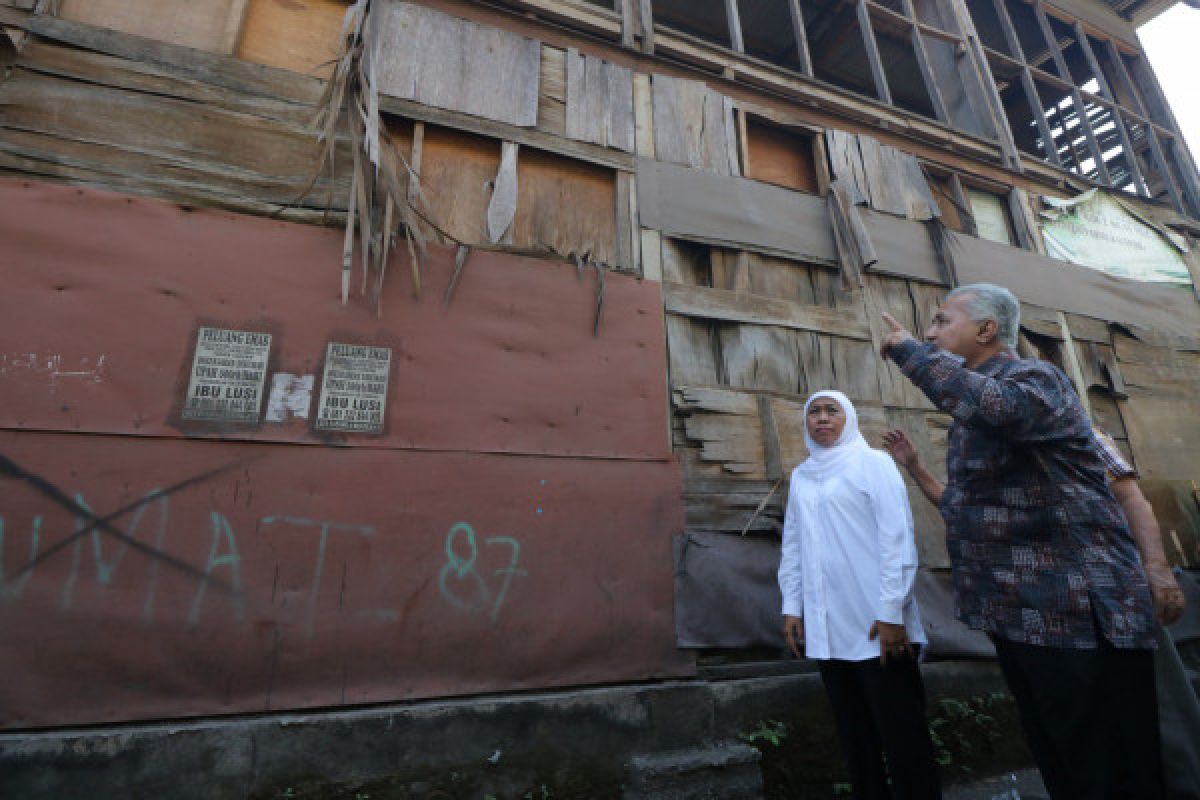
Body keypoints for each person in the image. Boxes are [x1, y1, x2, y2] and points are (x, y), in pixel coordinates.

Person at [878, 283, 1162, 800]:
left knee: (1105, 764)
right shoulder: (972, 408)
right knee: (1060, 757)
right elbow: (972, 509)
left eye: (942, 321)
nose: (928, 332)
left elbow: (998, 407)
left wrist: (910, 355)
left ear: (987, 330)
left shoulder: (1032, 379)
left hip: (1076, 614)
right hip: (1019, 616)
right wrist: (918, 470)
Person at [779, 389, 940, 800]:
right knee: (856, 739)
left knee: (904, 739)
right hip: (827, 629)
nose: (822, 418)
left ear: (848, 418)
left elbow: (898, 540)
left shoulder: (874, 464)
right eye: (814, 412)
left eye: (832, 410)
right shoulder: (802, 476)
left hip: (878, 628)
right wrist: (792, 608)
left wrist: (891, 613)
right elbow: (793, 547)